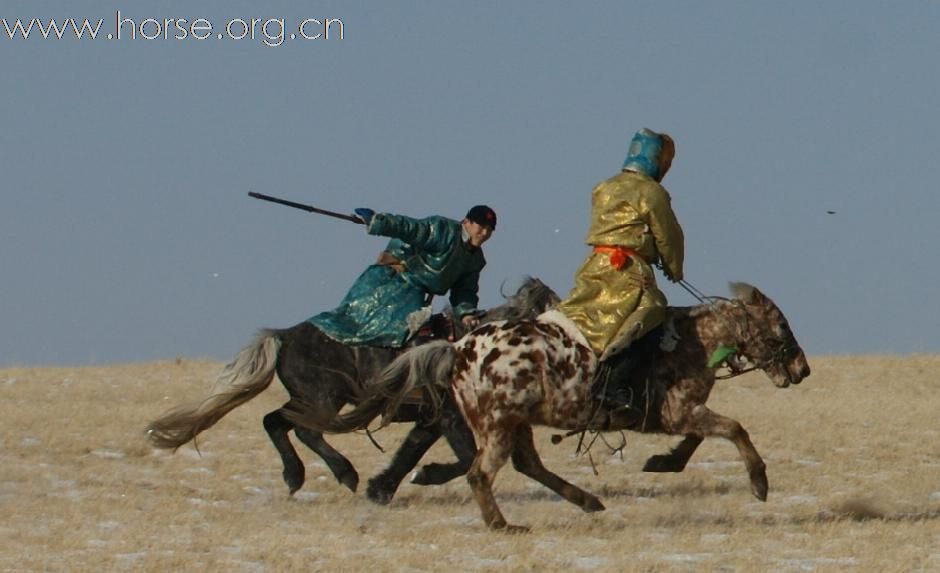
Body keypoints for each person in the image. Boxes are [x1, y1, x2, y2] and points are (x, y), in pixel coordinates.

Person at [557, 128, 684, 415]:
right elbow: (668, 235)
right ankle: (612, 386)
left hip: (594, 267)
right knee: (651, 314)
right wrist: (673, 267)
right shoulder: (652, 192)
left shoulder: (604, 186)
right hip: (627, 271)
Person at [309, 205, 497, 347]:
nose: (484, 233)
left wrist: (465, 313)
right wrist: (379, 221)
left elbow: (465, 290)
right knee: (402, 326)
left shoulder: (476, 260)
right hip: (396, 279)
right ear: (467, 222)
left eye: (489, 230)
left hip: (418, 292)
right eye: (481, 227)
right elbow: (409, 228)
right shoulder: (442, 230)